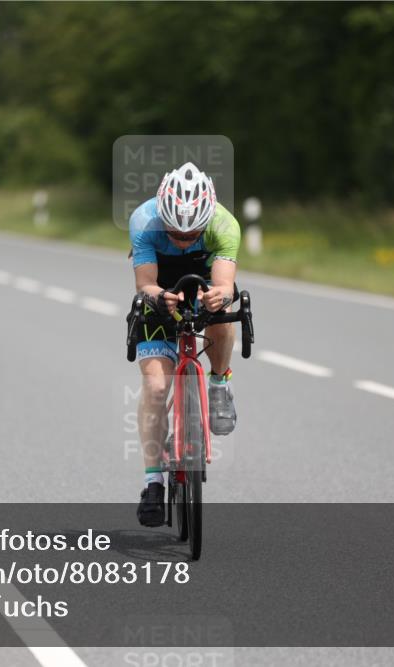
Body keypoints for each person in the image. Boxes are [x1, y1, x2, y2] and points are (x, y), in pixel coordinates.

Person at [129, 162, 242, 527]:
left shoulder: (225, 224)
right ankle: (153, 483)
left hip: (202, 290)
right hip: (160, 297)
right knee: (156, 386)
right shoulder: (144, 220)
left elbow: (224, 284)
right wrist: (159, 297)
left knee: (225, 314)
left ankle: (220, 384)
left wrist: (220, 297)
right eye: (174, 231)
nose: (182, 238)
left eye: (191, 232)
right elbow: (144, 283)